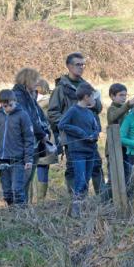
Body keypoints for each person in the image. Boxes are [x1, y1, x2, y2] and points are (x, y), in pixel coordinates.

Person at [48, 52, 105, 197]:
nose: (81, 67)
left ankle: (103, 199)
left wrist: (95, 103)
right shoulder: (61, 89)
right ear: (68, 66)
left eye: (83, 64)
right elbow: (53, 114)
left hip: (90, 137)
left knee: (96, 165)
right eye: (77, 64)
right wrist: (73, 125)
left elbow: (97, 108)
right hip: (73, 138)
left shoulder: (86, 85)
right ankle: (76, 200)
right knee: (73, 168)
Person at [58, 83, 101, 218]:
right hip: (77, 151)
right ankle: (76, 210)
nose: (94, 99)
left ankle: (83, 208)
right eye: (92, 97)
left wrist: (94, 135)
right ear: (86, 97)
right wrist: (80, 133)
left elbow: (96, 127)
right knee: (80, 180)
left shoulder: (89, 112)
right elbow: (62, 124)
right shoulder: (73, 110)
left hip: (90, 150)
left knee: (86, 180)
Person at [0, 90, 35, 208]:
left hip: (17, 160)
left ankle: (22, 215)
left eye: (10, 105)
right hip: (2, 160)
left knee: (17, 190)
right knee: (7, 192)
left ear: (15, 102)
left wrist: (28, 159)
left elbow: (29, 138)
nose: (8, 108)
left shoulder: (22, 115)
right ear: (1, 104)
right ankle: (12, 213)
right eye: (5, 106)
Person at [12, 68, 49, 204]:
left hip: (34, 142)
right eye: (35, 79)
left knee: (28, 178)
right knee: (23, 179)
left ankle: (24, 208)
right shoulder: (18, 96)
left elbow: (39, 115)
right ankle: (19, 209)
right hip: (24, 143)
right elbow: (29, 119)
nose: (37, 82)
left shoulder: (29, 94)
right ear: (26, 80)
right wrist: (42, 134)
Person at [106, 83, 134, 190]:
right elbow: (112, 118)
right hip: (114, 149)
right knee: (114, 176)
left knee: (127, 174)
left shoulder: (126, 110)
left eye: (125, 95)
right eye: (121, 95)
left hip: (126, 147)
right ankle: (110, 199)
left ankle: (126, 198)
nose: (124, 98)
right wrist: (128, 105)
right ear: (112, 96)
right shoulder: (112, 108)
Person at [35, 79, 57, 204]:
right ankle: (38, 200)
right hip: (40, 139)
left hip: (45, 139)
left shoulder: (46, 102)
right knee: (40, 167)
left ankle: (40, 200)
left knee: (41, 166)